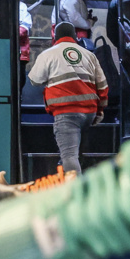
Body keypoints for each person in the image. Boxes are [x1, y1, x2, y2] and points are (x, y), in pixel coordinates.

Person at [28, 21, 109, 175]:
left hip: (67, 112)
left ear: (55, 36)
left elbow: (34, 80)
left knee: (69, 156)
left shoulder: (49, 54)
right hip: (89, 113)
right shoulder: (89, 55)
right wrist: (100, 111)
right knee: (78, 154)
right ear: (75, 36)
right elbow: (103, 86)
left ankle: (75, 194)